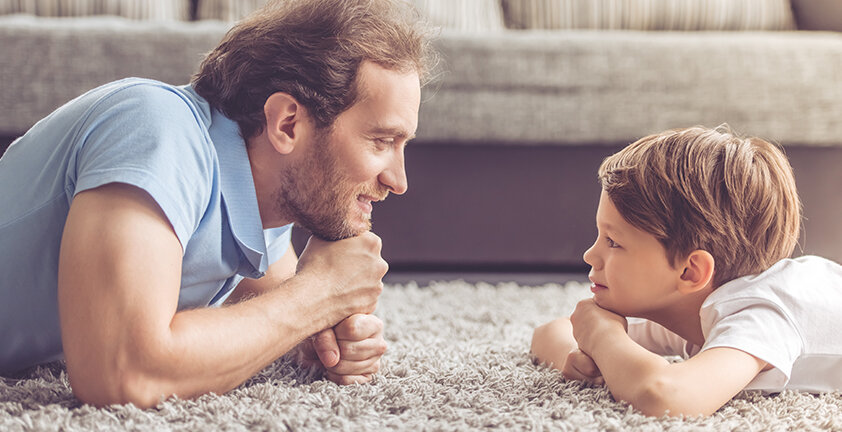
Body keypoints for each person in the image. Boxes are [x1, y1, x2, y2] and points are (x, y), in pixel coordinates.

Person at [0, 0, 435, 408]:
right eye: (381, 141)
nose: (398, 182)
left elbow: (285, 312)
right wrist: (319, 296)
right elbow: (121, 371)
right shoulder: (155, 129)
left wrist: (327, 332)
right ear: (287, 123)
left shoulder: (265, 207)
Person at [531, 126, 842, 417]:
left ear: (690, 273)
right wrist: (578, 357)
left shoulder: (759, 314)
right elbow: (548, 333)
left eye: (613, 242)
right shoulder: (687, 307)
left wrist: (602, 338)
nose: (590, 254)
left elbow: (666, 397)